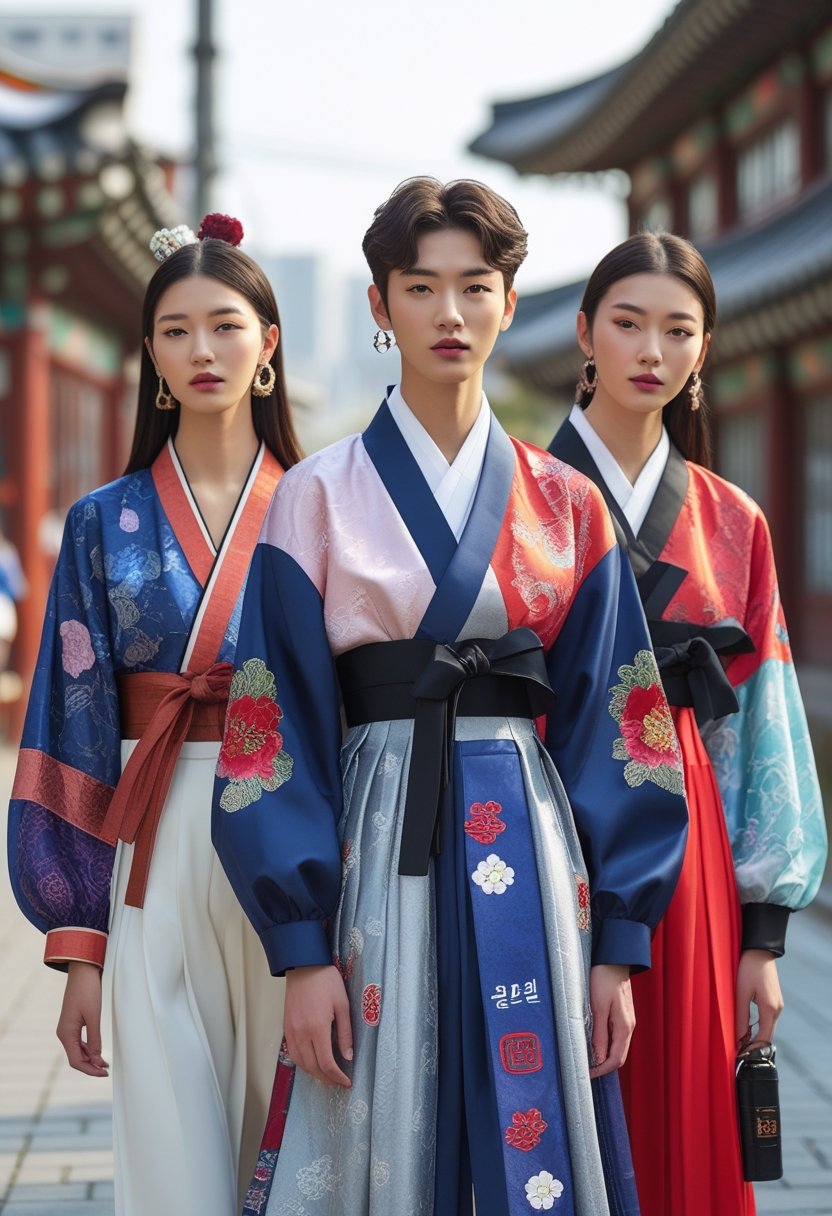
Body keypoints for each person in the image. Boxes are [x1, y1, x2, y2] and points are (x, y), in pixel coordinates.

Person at [212, 178, 689, 1216]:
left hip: (530, 826)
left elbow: (622, 722)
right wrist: (300, 950)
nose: (449, 314)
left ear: (510, 304)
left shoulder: (567, 504)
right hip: (381, 839)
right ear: (379, 307)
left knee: (534, 1128)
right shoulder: (315, 495)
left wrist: (620, 940)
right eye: (419, 288)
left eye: (475, 287)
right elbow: (271, 720)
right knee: (385, 1109)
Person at [8, 214, 303, 1216]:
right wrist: (77, 943)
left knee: (292, 1130)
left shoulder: (320, 505)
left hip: (294, 841)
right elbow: (72, 721)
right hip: (151, 840)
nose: (202, 350)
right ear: (151, 357)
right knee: (170, 1141)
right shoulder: (101, 520)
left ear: (268, 341)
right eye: (175, 331)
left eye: (225, 325)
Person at [548, 231, 827, 1216]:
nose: (649, 352)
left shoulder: (731, 519)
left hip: (692, 839)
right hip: (543, 815)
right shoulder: (518, 499)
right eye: (626, 324)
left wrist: (763, 931)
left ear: (703, 351)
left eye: (677, 330)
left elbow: (763, 731)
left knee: (678, 1100)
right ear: (584, 332)